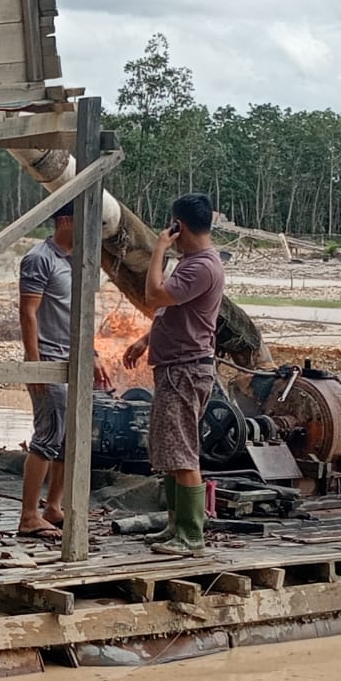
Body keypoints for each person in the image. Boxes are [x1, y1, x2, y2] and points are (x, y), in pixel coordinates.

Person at [122, 193, 224, 556]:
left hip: (185, 370)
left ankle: (191, 534)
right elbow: (176, 312)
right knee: (168, 450)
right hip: (174, 366)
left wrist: (158, 249)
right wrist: (145, 340)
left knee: (182, 452)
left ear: (179, 225)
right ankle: (174, 524)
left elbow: (153, 295)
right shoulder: (193, 262)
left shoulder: (201, 266)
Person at [17, 202, 111, 539]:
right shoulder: (39, 258)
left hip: (75, 362)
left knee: (70, 439)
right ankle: (28, 515)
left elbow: (80, 315)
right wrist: (35, 364)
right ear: (67, 221)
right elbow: (28, 312)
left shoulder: (77, 261)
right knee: (46, 438)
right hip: (50, 362)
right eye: (85, 222)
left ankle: (53, 506)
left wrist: (93, 353)